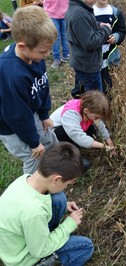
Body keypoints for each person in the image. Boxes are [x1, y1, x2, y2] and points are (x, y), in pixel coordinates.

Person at [0, 142, 94, 266]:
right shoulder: (33, 211)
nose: (66, 188)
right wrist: (69, 224)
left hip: (15, 243)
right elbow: (39, 251)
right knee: (85, 246)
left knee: (59, 200)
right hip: (22, 259)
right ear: (56, 179)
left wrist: (64, 206)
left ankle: (48, 236)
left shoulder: (24, 180)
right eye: (68, 185)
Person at [0, 6, 58, 175]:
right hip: (11, 125)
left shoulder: (35, 56)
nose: (47, 54)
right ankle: (33, 189)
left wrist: (44, 114)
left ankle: (55, 168)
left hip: (29, 111)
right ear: (22, 46)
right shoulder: (12, 75)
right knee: (34, 156)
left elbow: (43, 86)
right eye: (43, 51)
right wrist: (33, 142)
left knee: (50, 139)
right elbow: (16, 115)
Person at [65, 0, 112, 98]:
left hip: (82, 61)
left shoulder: (76, 8)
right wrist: (106, 29)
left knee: (87, 94)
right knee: (95, 99)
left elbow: (84, 27)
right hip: (88, 65)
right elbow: (90, 42)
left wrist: (98, 25)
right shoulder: (80, 14)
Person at [50, 90, 115, 151]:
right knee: (62, 133)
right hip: (54, 135)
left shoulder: (88, 110)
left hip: (71, 131)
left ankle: (76, 146)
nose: (98, 119)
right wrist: (103, 146)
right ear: (86, 111)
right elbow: (77, 135)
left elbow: (100, 125)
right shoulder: (71, 114)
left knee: (92, 130)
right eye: (97, 117)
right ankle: (67, 152)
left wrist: (109, 142)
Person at [93, 0, 126, 95]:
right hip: (93, 58)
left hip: (109, 57)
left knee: (108, 86)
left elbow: (121, 30)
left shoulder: (115, 13)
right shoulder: (89, 12)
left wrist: (116, 37)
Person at [43, 0, 70, 69]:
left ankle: (66, 55)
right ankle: (57, 58)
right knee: (56, 37)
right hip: (51, 13)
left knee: (65, 35)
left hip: (65, 12)